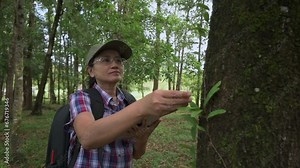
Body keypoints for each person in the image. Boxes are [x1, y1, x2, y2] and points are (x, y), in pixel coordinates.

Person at [65, 40, 192, 167]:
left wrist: (142, 138)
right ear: (91, 71)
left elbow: (137, 155)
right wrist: (142, 107)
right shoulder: (81, 97)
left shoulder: (128, 101)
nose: (115, 65)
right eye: (106, 60)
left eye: (118, 60)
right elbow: (88, 137)